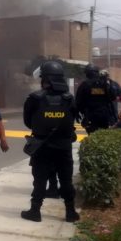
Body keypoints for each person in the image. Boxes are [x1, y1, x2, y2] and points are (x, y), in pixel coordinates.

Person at [21, 60, 80, 223]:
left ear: (45, 78)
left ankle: (35, 211)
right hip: (63, 146)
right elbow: (73, 118)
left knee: (40, 180)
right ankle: (70, 212)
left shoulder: (34, 98)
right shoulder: (69, 99)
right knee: (66, 180)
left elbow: (28, 122)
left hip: (42, 146)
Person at [75, 64, 116, 134]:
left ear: (88, 73)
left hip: (90, 116)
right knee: (103, 136)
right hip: (104, 115)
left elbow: (78, 101)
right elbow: (113, 97)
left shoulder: (85, 84)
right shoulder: (105, 83)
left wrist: (77, 113)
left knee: (92, 137)